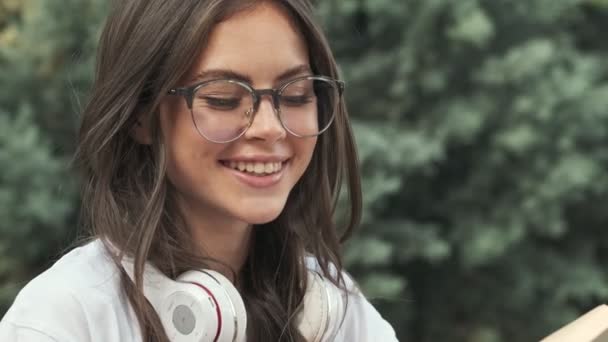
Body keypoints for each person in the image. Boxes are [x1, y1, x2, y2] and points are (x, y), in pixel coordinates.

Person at [0, 0, 398, 341]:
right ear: (141, 116)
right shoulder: (64, 318)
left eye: (295, 95)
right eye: (223, 99)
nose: (270, 128)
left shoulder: (343, 318)